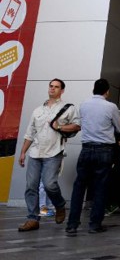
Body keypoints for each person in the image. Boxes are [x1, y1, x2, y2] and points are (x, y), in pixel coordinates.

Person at [17, 78, 80, 232]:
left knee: (49, 184)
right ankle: (32, 219)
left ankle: (59, 205)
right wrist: (23, 152)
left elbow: (77, 125)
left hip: (54, 152)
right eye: (51, 86)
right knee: (31, 186)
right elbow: (30, 133)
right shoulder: (38, 110)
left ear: (62, 90)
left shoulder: (68, 108)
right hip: (35, 152)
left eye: (56, 87)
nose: (52, 89)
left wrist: (60, 127)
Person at [66, 78, 120, 234]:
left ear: (93, 90)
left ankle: (72, 224)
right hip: (104, 150)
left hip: (86, 148)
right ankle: (94, 224)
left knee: (79, 186)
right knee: (100, 187)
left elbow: (81, 124)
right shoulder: (111, 107)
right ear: (107, 91)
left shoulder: (83, 105)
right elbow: (118, 128)